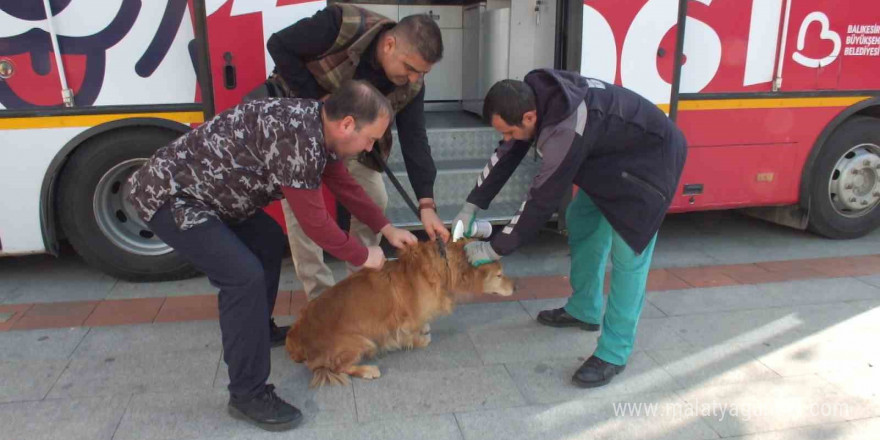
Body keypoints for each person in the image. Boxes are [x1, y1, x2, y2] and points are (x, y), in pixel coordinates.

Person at [127, 80, 417, 431]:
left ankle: (257, 330)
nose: (370, 147)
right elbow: (316, 225)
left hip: (212, 198)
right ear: (347, 125)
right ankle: (247, 394)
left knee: (266, 239)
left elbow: (344, 186)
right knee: (242, 277)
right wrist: (362, 255)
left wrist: (385, 228)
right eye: (370, 139)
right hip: (172, 199)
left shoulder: (317, 125)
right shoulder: (298, 140)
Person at [453, 69, 687, 388]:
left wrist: (493, 248)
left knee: (629, 253)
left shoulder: (564, 129)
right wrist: (471, 205)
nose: (506, 138)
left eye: (508, 131)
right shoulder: (535, 99)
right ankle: (584, 309)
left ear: (529, 116)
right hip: (608, 161)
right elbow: (507, 152)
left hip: (649, 165)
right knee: (582, 220)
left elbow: (539, 201)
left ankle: (614, 352)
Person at [258, 4, 449, 302]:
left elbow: (415, 138)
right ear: (389, 44)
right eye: (410, 68)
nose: (414, 79)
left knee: (375, 198)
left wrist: (426, 202)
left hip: (357, 143)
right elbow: (279, 45)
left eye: (421, 73)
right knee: (304, 217)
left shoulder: (413, 84)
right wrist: (321, 104)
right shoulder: (340, 23)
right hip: (302, 133)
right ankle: (321, 298)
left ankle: (360, 289)